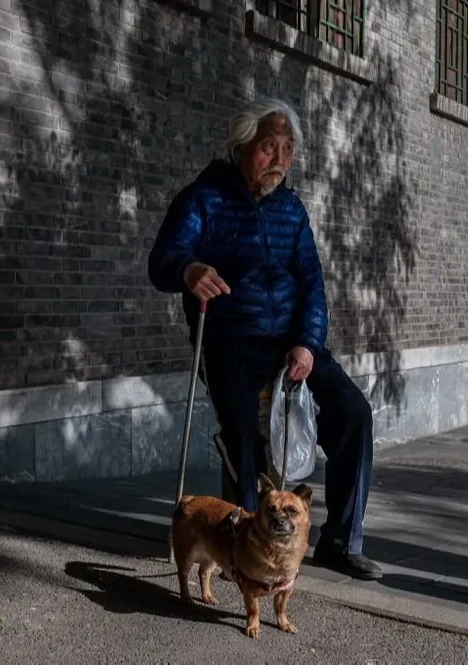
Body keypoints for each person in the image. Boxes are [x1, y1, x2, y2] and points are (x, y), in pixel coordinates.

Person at [147, 98, 383, 581]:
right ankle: (245, 551)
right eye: (268, 147)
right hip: (231, 340)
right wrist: (188, 269)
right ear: (241, 146)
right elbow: (164, 259)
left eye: (288, 149)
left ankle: (341, 542)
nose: (279, 159)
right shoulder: (203, 199)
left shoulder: (291, 210)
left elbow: (312, 282)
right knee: (244, 436)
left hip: (292, 344)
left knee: (353, 413)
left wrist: (308, 343)